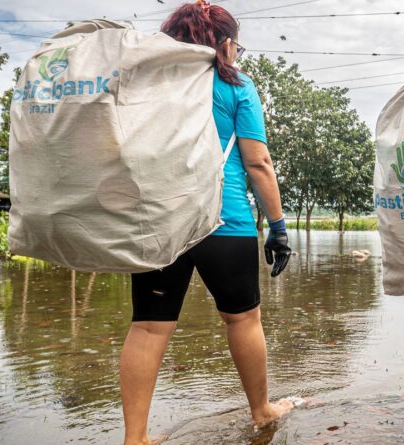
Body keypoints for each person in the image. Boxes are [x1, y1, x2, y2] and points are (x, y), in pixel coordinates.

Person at [118, 2, 293, 444]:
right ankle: (261, 411)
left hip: (159, 220)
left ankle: (134, 438)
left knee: (148, 325)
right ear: (227, 44)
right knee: (243, 320)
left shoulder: (145, 84)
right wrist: (277, 226)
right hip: (225, 219)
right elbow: (258, 162)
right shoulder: (236, 85)